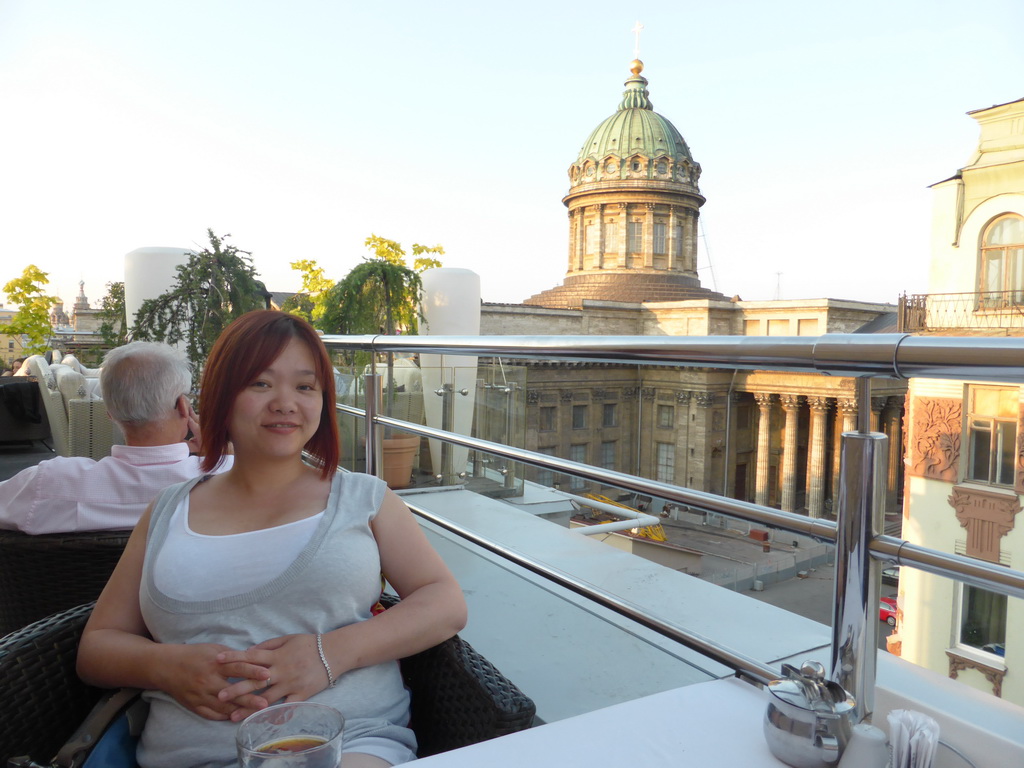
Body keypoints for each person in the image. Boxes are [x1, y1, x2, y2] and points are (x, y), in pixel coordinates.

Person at [78, 310, 467, 768]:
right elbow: (97, 646)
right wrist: (165, 666)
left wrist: (331, 653)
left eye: (305, 386)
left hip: (346, 744)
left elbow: (444, 602)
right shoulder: (168, 509)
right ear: (222, 395)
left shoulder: (365, 499)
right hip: (190, 754)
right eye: (260, 384)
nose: (285, 402)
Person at [0, 342, 231, 534]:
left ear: (109, 412)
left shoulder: (49, 482)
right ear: (183, 406)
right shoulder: (229, 478)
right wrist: (222, 452)